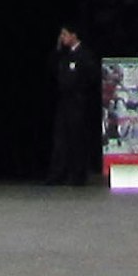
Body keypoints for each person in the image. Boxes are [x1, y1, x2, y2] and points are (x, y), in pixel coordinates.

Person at [45, 21, 97, 184]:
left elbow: (92, 77)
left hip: (78, 102)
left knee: (77, 138)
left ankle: (78, 175)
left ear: (74, 36)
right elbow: (52, 68)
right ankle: (57, 174)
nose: (62, 38)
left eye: (65, 35)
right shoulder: (64, 55)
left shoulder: (85, 55)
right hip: (64, 102)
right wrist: (57, 49)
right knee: (60, 139)